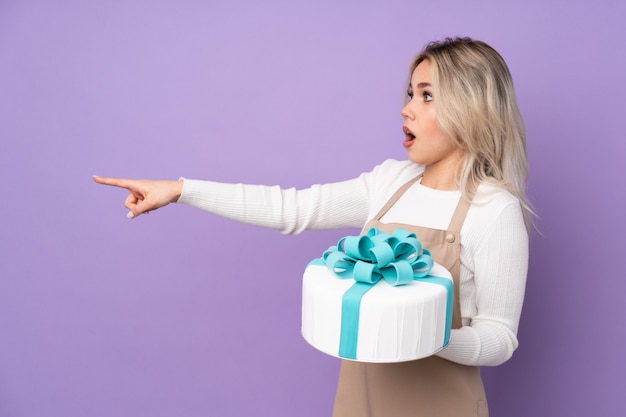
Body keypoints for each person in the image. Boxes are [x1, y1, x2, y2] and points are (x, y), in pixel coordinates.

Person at [94, 37, 530, 417]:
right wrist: (181, 189)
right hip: (360, 401)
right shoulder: (390, 182)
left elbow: (498, 337)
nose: (406, 108)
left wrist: (421, 334)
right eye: (410, 93)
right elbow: (293, 209)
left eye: (426, 95)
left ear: (470, 106)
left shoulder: (495, 209)